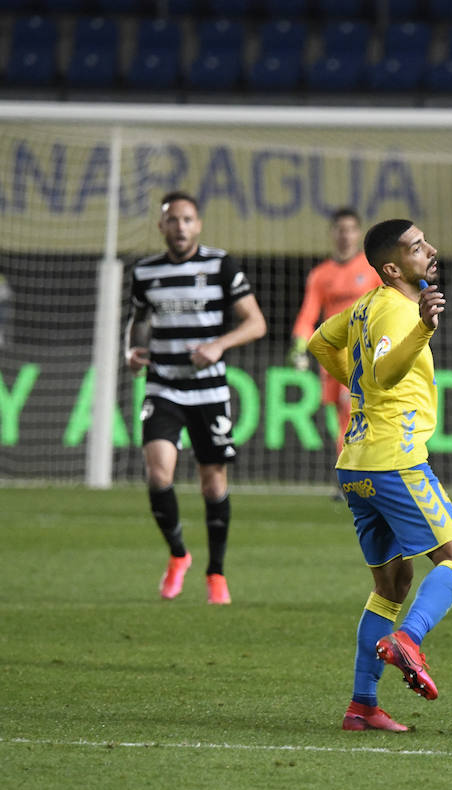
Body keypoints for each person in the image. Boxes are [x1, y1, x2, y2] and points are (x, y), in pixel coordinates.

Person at [307, 218, 452, 732]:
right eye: (416, 247)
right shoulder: (397, 312)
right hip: (394, 460)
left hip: (356, 465)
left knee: (391, 585)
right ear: (392, 268)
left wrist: (356, 387)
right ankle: (409, 639)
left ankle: (362, 705)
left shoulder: (365, 306)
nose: (430, 249)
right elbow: (383, 373)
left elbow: (320, 343)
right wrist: (423, 328)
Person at [126, 191, 267, 604]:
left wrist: (219, 345)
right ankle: (178, 555)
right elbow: (138, 321)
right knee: (158, 475)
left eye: (187, 219)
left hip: (209, 390)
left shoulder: (221, 265)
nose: (180, 227)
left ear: (198, 224)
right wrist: (130, 350)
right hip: (163, 385)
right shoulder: (145, 272)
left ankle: (216, 573)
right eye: (173, 220)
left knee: (213, 482)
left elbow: (256, 323)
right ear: (161, 226)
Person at [289, 209, 382, 464]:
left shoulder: (372, 271)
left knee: (353, 409)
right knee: (344, 417)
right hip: (333, 354)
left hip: (365, 353)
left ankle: (359, 471)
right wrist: (299, 348)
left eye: (351, 230)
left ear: (358, 234)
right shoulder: (321, 275)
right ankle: (350, 474)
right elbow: (308, 315)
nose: (345, 236)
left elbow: (388, 309)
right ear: (332, 233)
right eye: (341, 230)